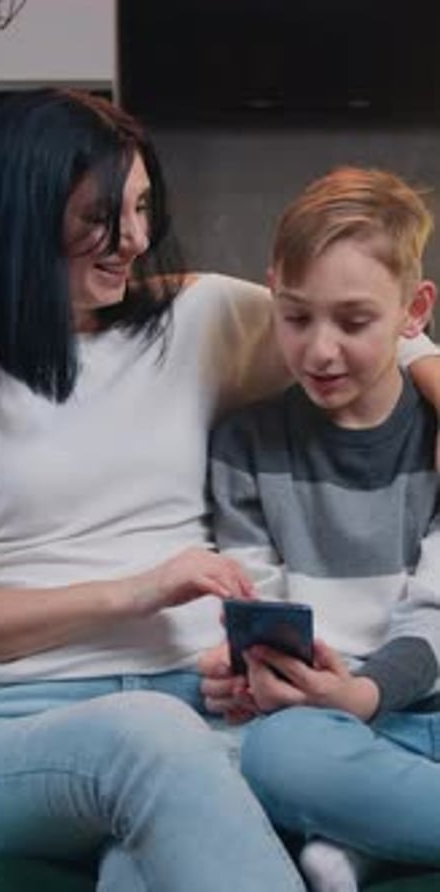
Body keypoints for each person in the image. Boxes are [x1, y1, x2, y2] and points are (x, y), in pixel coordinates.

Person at [0, 91, 436, 892]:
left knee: (138, 870)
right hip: (20, 734)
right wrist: (132, 593)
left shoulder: (198, 319)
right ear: (25, 209)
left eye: (141, 207)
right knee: (151, 738)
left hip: (209, 718)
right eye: (102, 216)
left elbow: (381, 326)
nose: (135, 239)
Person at [206, 166, 440, 892]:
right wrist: (264, 676)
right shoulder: (245, 445)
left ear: (414, 311)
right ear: (272, 291)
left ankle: (354, 835)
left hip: (416, 695)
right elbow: (259, 604)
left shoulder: (434, 435)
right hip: (315, 719)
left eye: (354, 320)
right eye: (296, 316)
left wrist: (366, 693)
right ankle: (366, 828)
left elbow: (437, 617)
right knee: (275, 754)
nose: (320, 351)